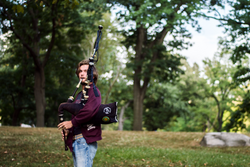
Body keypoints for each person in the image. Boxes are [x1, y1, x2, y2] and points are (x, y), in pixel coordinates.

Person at [57, 59, 102, 167]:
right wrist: (69, 130)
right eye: (80, 71)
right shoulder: (79, 95)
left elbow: (89, 111)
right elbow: (77, 116)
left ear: (93, 76)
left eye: (86, 71)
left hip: (84, 140)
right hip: (76, 140)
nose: (82, 73)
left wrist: (72, 123)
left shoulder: (93, 91)